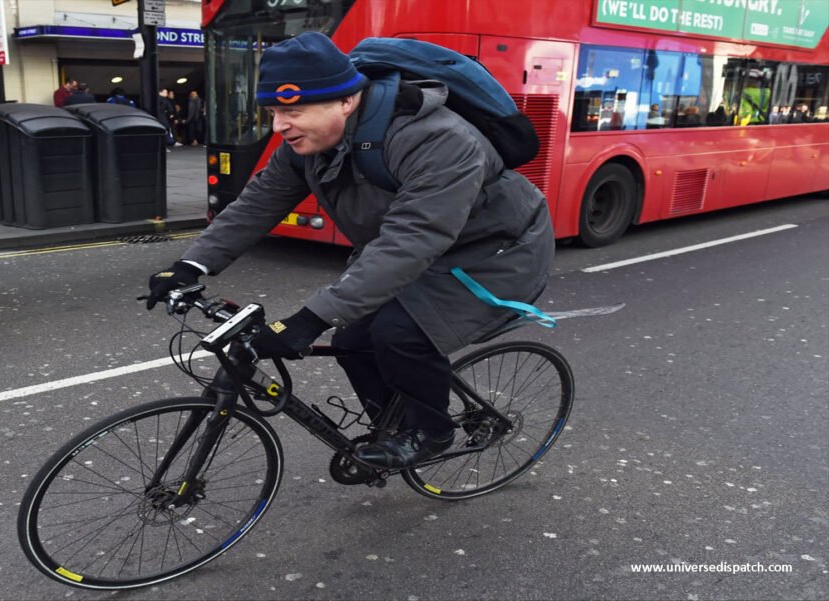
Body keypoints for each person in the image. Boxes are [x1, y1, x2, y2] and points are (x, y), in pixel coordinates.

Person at [144, 32, 554, 469]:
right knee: (353, 338)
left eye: (292, 111)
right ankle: (393, 428)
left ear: (345, 101)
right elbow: (258, 202)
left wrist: (309, 319)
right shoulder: (307, 145)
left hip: (493, 253)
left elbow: (413, 238)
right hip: (417, 249)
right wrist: (191, 264)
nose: (279, 125)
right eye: (273, 112)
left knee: (398, 334)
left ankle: (431, 433)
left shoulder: (437, 139)